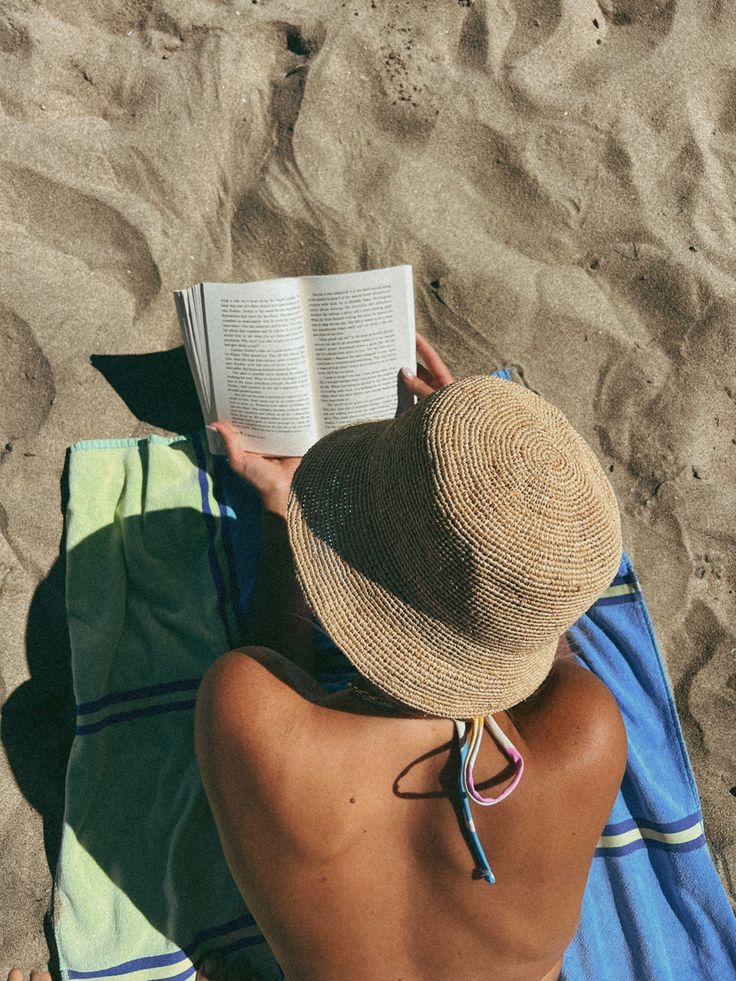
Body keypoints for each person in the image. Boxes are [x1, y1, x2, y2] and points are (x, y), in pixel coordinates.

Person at [193, 334, 628, 981]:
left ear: (348, 567)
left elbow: (276, 660)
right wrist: (496, 530)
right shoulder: (589, 735)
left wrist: (286, 513)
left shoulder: (246, 708)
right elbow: (543, 643)